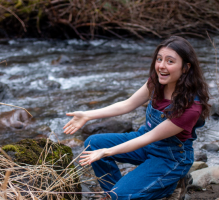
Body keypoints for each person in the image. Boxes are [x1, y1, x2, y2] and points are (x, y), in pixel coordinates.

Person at [63, 36, 210, 200]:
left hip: (170, 157)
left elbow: (150, 137)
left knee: (116, 183)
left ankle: (168, 187)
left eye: (170, 61)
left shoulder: (191, 107)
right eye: (159, 59)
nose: (161, 66)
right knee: (93, 143)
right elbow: (127, 104)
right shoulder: (156, 82)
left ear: (185, 67)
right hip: (144, 141)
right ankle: (115, 194)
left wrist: (106, 152)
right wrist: (87, 115)